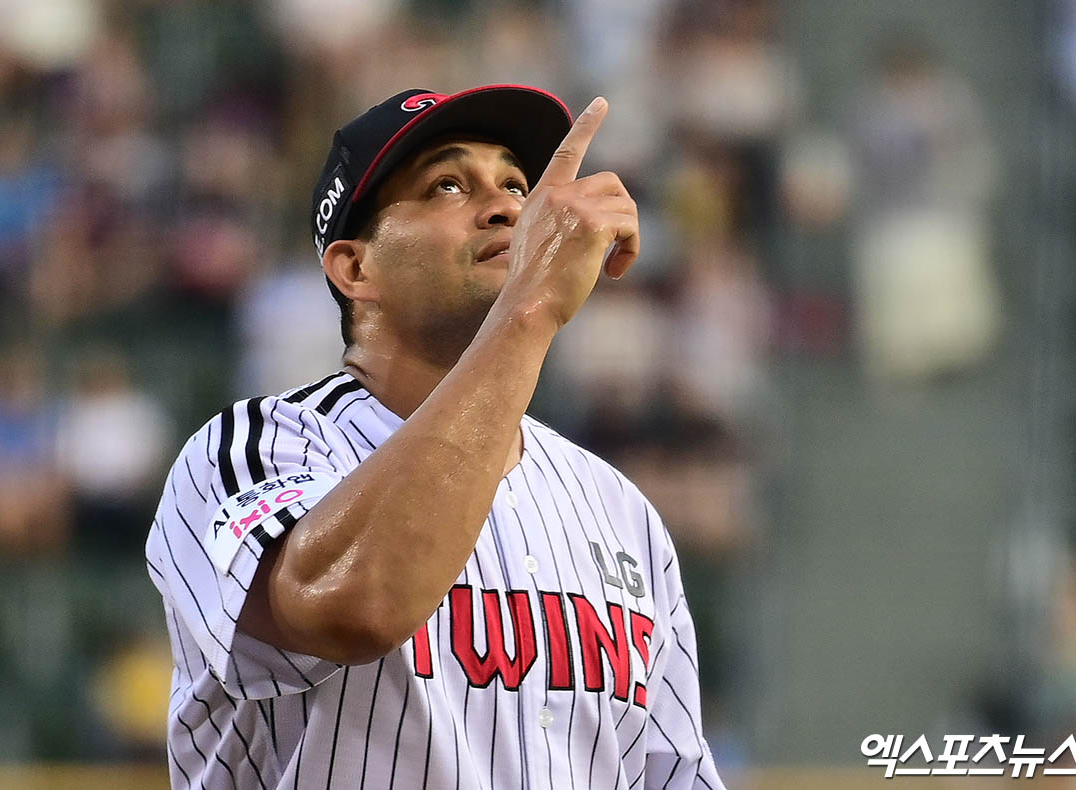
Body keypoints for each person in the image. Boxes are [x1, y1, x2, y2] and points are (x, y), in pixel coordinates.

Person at [146, 85, 727, 789]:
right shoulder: (256, 447)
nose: (506, 208)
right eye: (447, 185)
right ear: (355, 267)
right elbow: (355, 608)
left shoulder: (619, 510)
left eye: (516, 185)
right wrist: (531, 307)